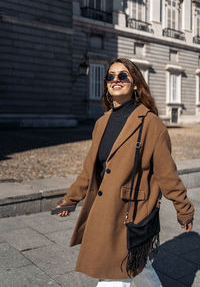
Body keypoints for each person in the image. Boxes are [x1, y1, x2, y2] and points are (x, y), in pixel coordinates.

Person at [56, 58, 194, 287]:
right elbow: (90, 170)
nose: (115, 80)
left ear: (136, 84)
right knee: (138, 268)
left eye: (122, 76)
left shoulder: (151, 124)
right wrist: (69, 200)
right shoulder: (102, 122)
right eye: (110, 76)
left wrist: (184, 209)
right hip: (103, 212)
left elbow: (167, 174)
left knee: (113, 276)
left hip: (130, 212)